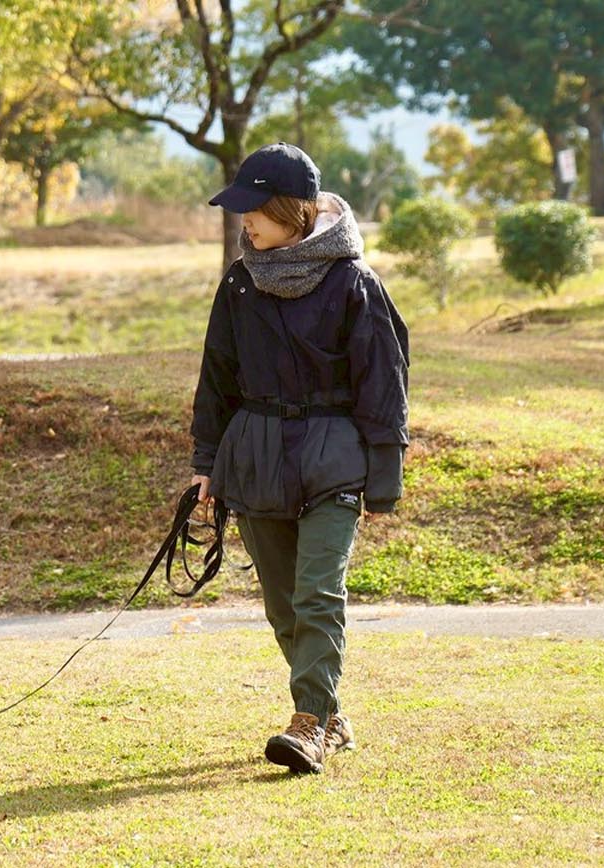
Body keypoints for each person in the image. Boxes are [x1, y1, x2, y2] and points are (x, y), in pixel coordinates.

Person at [189, 142, 409, 774]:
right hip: (255, 456)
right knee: (282, 605)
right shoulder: (238, 281)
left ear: (295, 209)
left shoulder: (354, 282)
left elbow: (384, 381)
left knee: (317, 594)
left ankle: (308, 722)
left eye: (254, 209)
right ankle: (331, 714)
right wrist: (207, 460)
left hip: (333, 458)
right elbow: (218, 376)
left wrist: (383, 476)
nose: (244, 221)